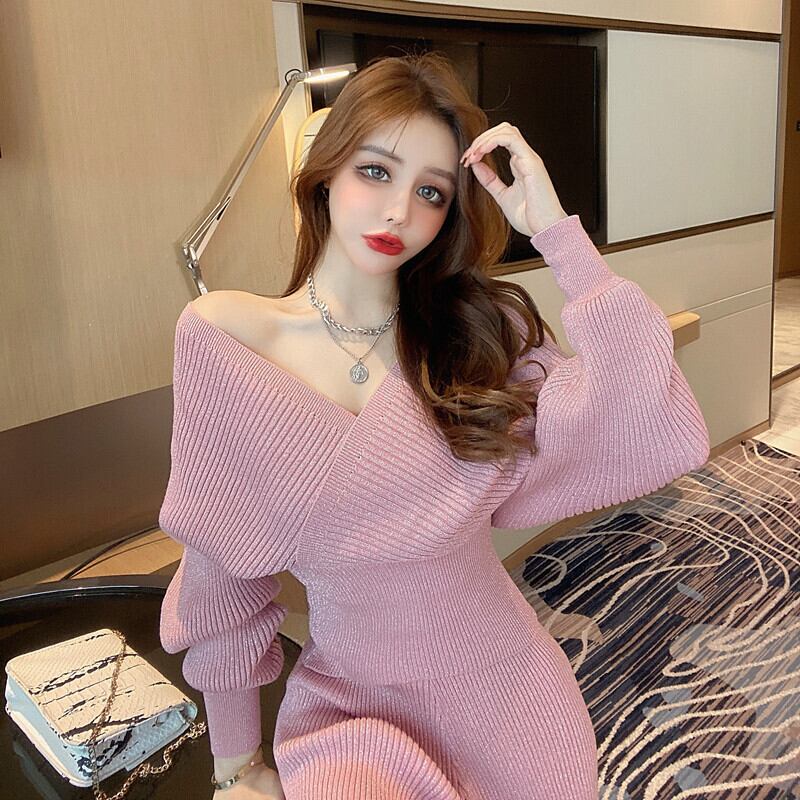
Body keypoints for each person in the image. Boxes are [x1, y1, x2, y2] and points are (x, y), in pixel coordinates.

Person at [158, 51, 710, 799]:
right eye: (375, 171)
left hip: (507, 693)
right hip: (353, 712)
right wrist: (236, 764)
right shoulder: (225, 339)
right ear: (324, 172)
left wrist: (558, 235)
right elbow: (218, 574)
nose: (399, 213)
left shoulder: (474, 340)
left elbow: (643, 417)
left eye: (430, 192)